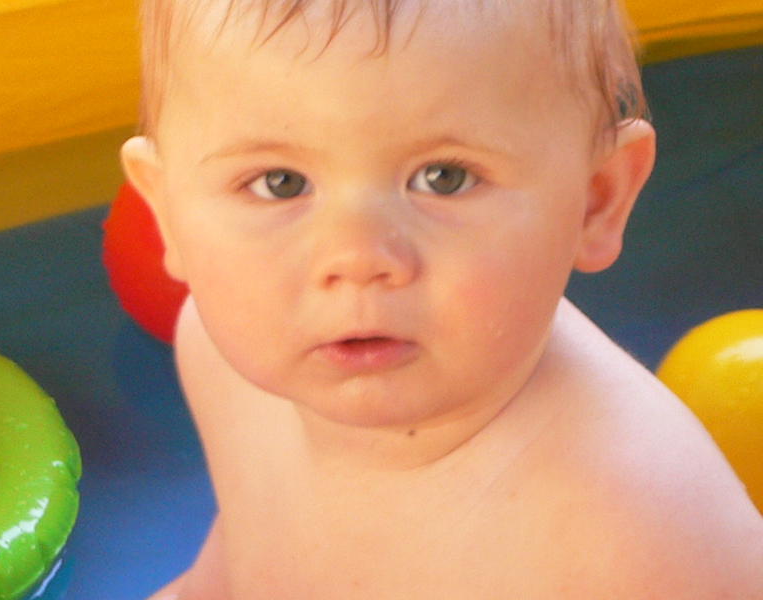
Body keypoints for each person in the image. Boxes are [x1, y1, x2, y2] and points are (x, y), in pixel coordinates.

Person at [120, 0, 763, 597]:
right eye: (279, 183)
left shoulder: (635, 537)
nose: (357, 257)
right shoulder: (220, 357)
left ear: (596, 200)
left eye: (444, 178)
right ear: (167, 210)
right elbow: (242, 563)